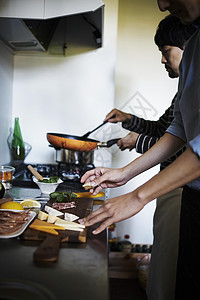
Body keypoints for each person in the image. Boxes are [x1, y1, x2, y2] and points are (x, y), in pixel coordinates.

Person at [79, 1, 200, 298]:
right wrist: (124, 174)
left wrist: (137, 196)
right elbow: (178, 129)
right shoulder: (195, 48)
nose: (161, 4)